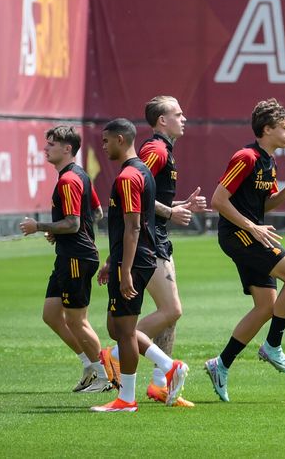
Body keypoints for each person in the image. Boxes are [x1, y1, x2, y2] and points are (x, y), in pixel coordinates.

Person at [205, 98, 285, 403]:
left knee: (266, 307)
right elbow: (218, 200)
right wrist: (252, 227)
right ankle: (273, 346)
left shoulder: (269, 161)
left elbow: (264, 205)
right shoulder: (246, 157)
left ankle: (221, 364)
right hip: (239, 235)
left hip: (253, 234)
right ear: (266, 129)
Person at [102, 96, 205, 406]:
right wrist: (171, 213)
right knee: (170, 311)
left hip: (156, 239)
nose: (184, 118)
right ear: (162, 120)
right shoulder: (154, 150)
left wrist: (178, 206)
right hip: (150, 242)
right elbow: (138, 194)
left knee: (169, 318)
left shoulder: (164, 150)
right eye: (178, 113)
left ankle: (159, 384)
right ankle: (119, 353)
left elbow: (145, 198)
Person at [92, 118, 188, 412]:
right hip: (132, 258)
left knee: (124, 330)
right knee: (117, 328)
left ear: (121, 139)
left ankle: (127, 398)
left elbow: (133, 227)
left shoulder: (129, 176)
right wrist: (113, 261)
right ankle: (167, 367)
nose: (103, 146)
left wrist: (125, 272)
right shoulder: (141, 172)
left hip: (135, 260)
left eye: (106, 141)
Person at [19, 126, 111, 394]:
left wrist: (40, 226)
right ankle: (89, 365)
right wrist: (59, 231)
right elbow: (95, 213)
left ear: (67, 149)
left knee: (77, 321)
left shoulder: (69, 180)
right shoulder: (78, 175)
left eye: (51, 144)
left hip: (76, 257)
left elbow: (72, 223)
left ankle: (106, 377)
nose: (45, 149)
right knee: (51, 314)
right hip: (69, 254)